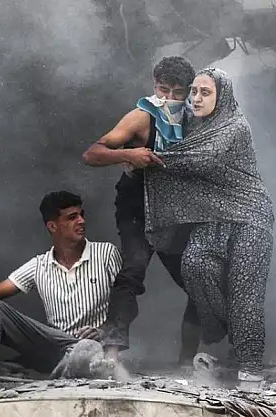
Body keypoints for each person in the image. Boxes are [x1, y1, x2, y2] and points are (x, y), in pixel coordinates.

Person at [142, 67, 275, 381]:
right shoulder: (190, 126)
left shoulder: (235, 126)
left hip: (249, 217)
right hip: (211, 216)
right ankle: (226, 328)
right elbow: (156, 117)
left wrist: (148, 159)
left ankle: (250, 373)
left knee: (245, 293)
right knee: (194, 265)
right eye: (194, 92)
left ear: (222, 96)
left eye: (205, 92)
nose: (197, 98)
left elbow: (202, 159)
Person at [0, 191, 123, 394]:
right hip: (54, 346)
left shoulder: (106, 253)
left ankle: (62, 375)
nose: (81, 221)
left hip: (94, 347)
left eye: (82, 214)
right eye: (72, 217)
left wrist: (103, 331)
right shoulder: (39, 265)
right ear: (52, 226)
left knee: (87, 349)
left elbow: (125, 304)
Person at [82, 56, 201, 364]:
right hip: (137, 206)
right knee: (133, 269)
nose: (170, 98)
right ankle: (110, 355)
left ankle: (187, 364)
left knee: (200, 280)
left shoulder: (197, 120)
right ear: (154, 85)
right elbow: (92, 154)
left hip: (175, 211)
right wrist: (130, 155)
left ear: (189, 91)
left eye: (178, 92)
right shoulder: (140, 117)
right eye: (164, 90)